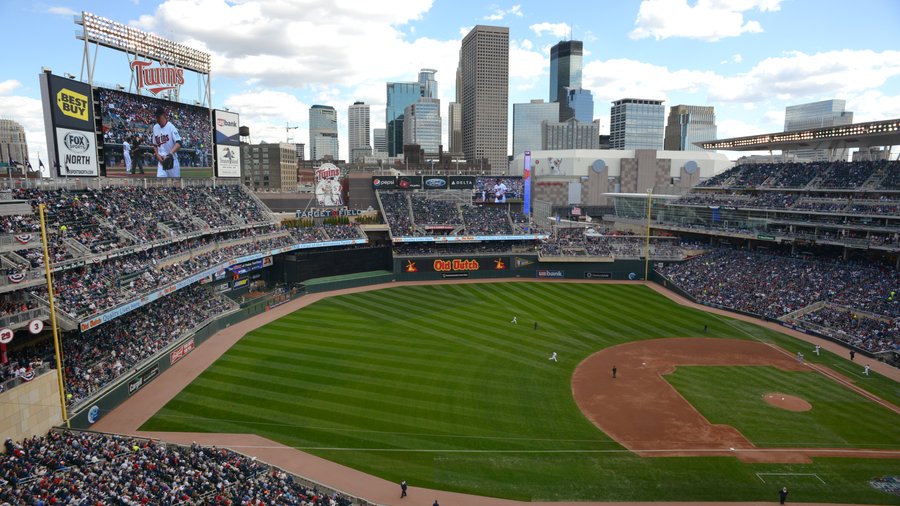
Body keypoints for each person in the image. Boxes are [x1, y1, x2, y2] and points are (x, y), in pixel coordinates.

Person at [152, 106, 182, 178]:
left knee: (175, 185)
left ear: (164, 115)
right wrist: (157, 155)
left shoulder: (171, 127)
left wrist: (170, 154)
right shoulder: (155, 128)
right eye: (156, 117)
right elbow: (154, 145)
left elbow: (179, 143)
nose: (157, 119)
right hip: (161, 162)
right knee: (160, 185)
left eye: (159, 117)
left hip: (172, 161)